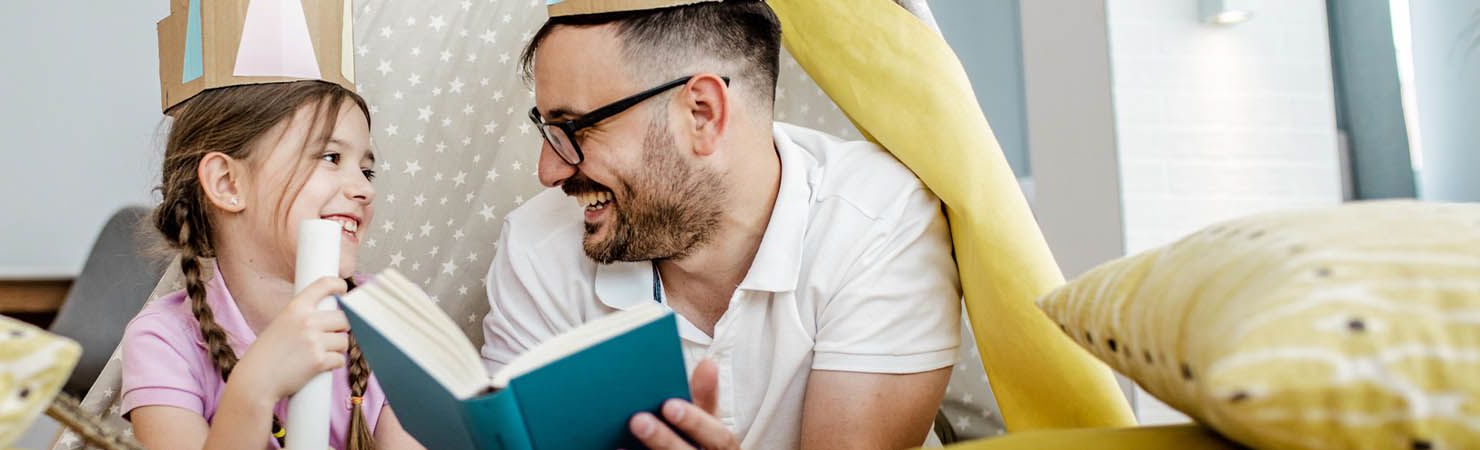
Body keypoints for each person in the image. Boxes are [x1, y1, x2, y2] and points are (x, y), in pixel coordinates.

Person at [481, 1, 962, 448]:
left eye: (574, 128)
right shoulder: (535, 247)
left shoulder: (876, 220)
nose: (549, 171)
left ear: (702, 113)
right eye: (546, 130)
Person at [118, 79, 422, 450]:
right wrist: (256, 386)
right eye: (331, 158)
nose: (364, 189)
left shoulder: (388, 316)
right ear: (228, 182)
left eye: (366, 170)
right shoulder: (163, 341)